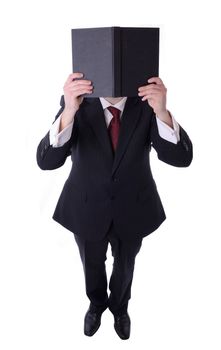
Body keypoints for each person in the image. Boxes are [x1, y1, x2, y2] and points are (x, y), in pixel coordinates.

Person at [36, 72, 193, 340]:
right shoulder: (77, 104)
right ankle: (96, 305)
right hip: (86, 207)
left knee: (125, 266)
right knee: (92, 266)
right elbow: (46, 161)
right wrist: (69, 111)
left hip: (133, 206)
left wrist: (162, 112)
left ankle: (120, 308)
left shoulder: (146, 105)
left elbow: (182, 158)